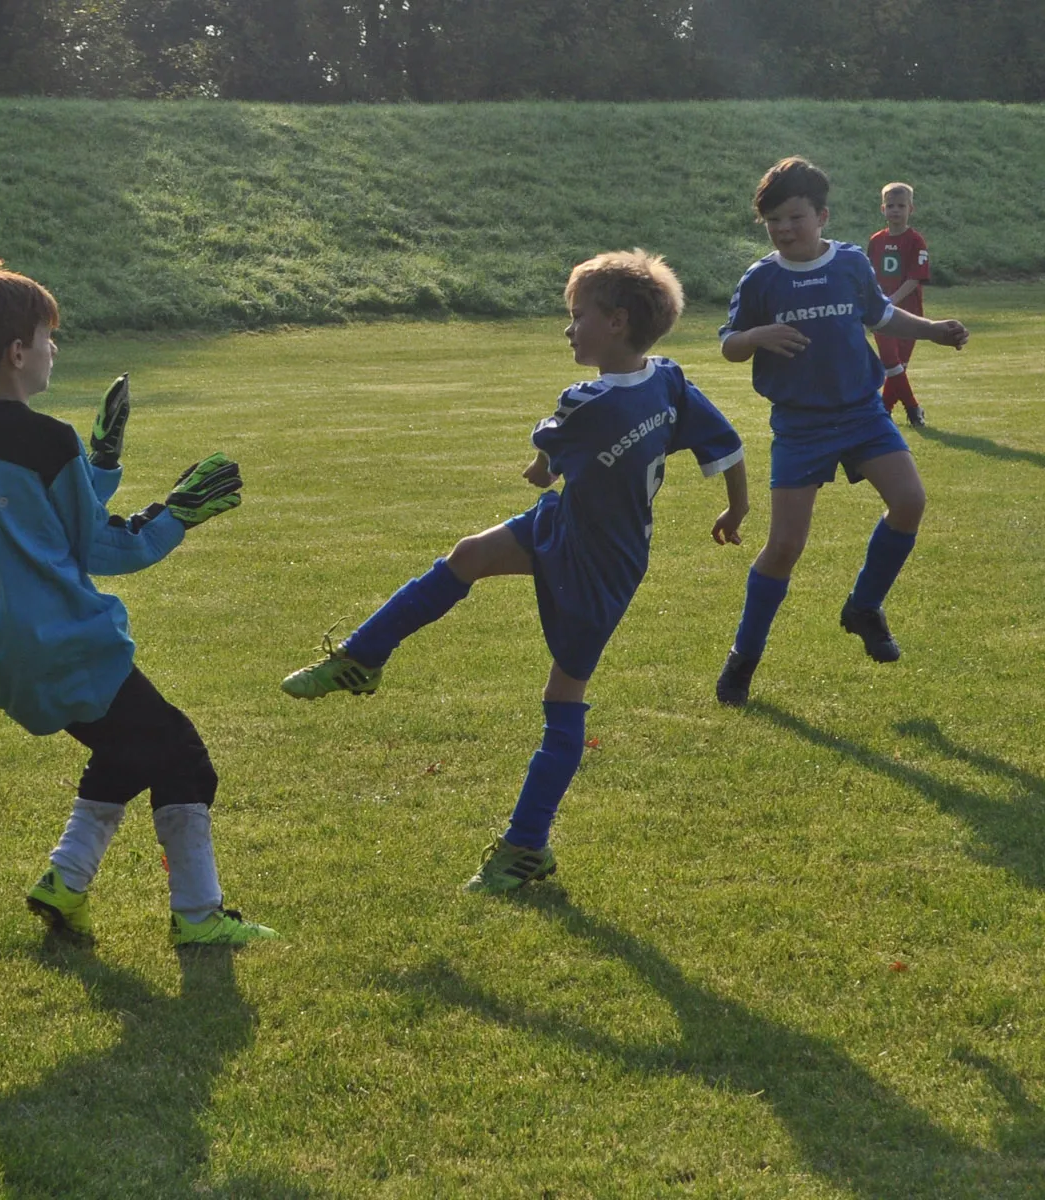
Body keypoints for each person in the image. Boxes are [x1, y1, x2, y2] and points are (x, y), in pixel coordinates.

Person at [281, 250, 748, 893]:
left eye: (577, 316)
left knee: (563, 696)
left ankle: (527, 845)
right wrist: (737, 505)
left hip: (602, 567)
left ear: (615, 322)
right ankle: (362, 657)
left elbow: (551, 446)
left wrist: (543, 465)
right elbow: (725, 442)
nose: (568, 328)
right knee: (468, 554)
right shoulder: (665, 378)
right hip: (571, 525)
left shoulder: (586, 402)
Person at [0, 260, 276, 947]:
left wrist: (100, 460)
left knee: (126, 752)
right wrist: (179, 513)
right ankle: (198, 917)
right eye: (47, 337)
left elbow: (44, 518)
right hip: (63, 647)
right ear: (18, 352)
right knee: (183, 757)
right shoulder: (46, 441)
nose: (54, 349)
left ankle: (64, 884)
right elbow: (102, 546)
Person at [714, 158, 968, 708]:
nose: (784, 229)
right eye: (773, 221)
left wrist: (933, 330)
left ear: (822, 216)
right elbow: (730, 344)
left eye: (795, 217)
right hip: (800, 426)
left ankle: (863, 606)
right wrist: (756, 336)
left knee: (909, 502)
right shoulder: (761, 279)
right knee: (785, 546)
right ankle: (742, 659)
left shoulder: (850, 263)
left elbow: (880, 316)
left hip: (862, 414)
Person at [868, 182, 931, 427]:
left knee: (899, 367)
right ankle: (907, 410)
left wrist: (892, 300)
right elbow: (869, 276)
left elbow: (915, 278)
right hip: (882, 314)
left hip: (909, 313)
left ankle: (888, 411)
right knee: (891, 364)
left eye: (901, 206)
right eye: (891, 205)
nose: (895, 210)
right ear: (883, 209)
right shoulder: (876, 240)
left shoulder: (915, 241)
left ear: (910, 209)